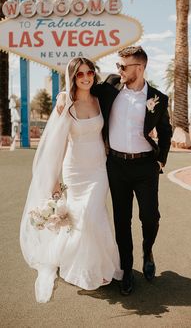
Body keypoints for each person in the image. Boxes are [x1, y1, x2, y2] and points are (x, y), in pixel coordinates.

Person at [57, 46, 172, 296]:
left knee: (150, 217)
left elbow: (165, 130)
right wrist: (63, 94)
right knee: (122, 220)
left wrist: (161, 159)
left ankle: (147, 250)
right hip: (115, 166)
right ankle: (127, 270)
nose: (117, 70)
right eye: (117, 65)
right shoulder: (110, 86)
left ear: (139, 68)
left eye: (123, 66)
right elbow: (82, 87)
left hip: (145, 167)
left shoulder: (159, 98)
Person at [20, 57, 122, 303]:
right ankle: (77, 266)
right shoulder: (66, 105)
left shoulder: (100, 99)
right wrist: (55, 178)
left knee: (94, 215)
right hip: (75, 170)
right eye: (80, 74)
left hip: (99, 169)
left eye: (89, 73)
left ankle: (99, 267)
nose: (86, 77)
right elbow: (59, 144)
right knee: (80, 217)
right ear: (73, 77)